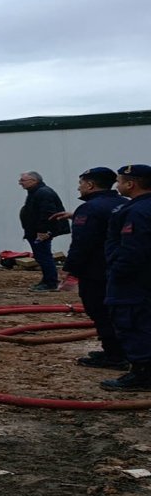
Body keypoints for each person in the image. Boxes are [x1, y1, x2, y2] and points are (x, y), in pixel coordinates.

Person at [51, 167, 128, 369]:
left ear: (90, 185)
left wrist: (70, 269)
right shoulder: (123, 204)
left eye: (81, 183)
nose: (79, 187)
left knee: (99, 311)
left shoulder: (90, 209)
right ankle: (124, 351)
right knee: (121, 311)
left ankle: (114, 356)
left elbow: (82, 243)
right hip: (119, 268)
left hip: (95, 271)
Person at [99, 164, 151, 391]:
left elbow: (133, 250)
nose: (117, 185)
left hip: (133, 282)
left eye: (119, 181)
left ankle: (143, 374)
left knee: (132, 324)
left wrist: (117, 272)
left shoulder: (136, 212)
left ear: (131, 184)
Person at [18, 171, 70, 291]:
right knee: (41, 256)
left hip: (40, 232)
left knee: (44, 256)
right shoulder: (36, 192)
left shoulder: (43, 193)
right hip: (35, 231)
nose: (20, 183)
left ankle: (50, 282)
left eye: (23, 180)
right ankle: (48, 280)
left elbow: (47, 214)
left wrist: (43, 231)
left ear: (34, 181)